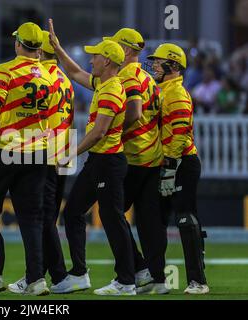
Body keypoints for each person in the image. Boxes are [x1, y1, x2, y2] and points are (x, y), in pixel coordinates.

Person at [0, 22, 59, 296]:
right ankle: (37, 279)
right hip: (39, 152)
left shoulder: (5, 70)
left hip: (7, 149)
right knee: (31, 218)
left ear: (18, 44)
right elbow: (52, 118)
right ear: (39, 47)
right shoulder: (48, 74)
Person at [49, 19, 136, 296]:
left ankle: (127, 281)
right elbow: (74, 72)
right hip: (99, 162)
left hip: (108, 163)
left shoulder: (111, 90)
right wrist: (58, 48)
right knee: (73, 212)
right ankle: (80, 274)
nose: (90, 59)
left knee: (112, 220)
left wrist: (68, 154)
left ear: (108, 61)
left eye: (96, 55)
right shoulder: (104, 83)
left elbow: (99, 133)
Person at [7, 30, 74, 294]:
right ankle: (43, 275)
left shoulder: (42, 77)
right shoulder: (64, 79)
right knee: (46, 218)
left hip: (43, 154)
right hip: (62, 150)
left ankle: (54, 276)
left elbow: (37, 116)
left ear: (38, 52)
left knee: (40, 218)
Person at [104, 28, 168, 294]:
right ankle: (157, 279)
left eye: (117, 46)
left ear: (127, 50)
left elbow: (134, 112)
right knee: (149, 222)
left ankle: (129, 275)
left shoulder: (127, 75)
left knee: (111, 213)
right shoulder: (147, 77)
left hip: (132, 155)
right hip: (153, 157)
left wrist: (112, 131)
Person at [148, 43, 209, 294]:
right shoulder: (162, 90)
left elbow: (181, 134)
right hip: (168, 163)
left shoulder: (177, 94)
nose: (152, 65)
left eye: (157, 61)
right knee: (155, 221)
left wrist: (170, 168)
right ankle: (156, 279)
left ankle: (198, 281)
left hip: (182, 163)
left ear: (172, 66)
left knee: (184, 218)